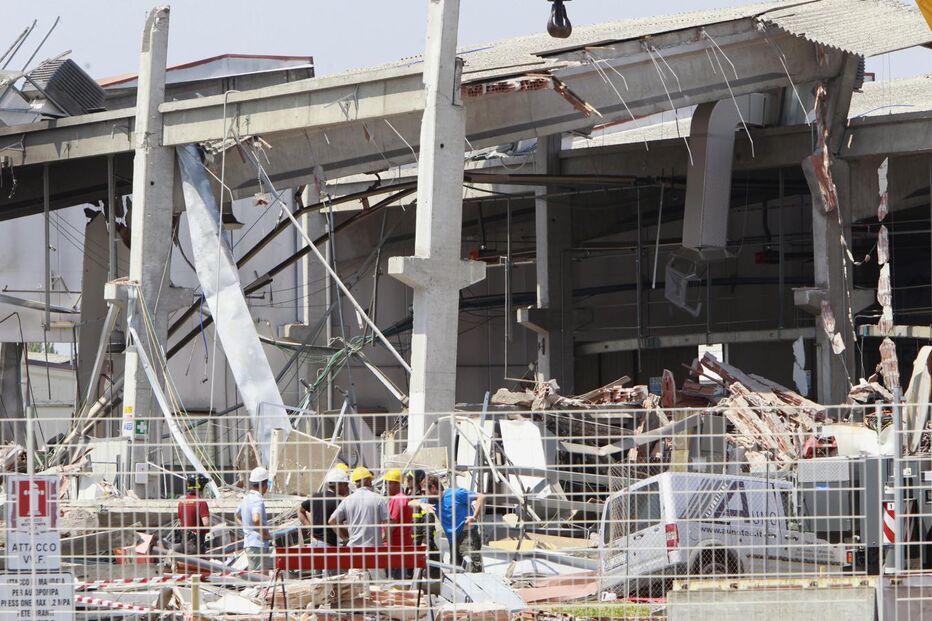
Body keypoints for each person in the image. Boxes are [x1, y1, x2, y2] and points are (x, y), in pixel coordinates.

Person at [427, 475, 485, 573]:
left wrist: (474, 516)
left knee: (473, 570)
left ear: (433, 488)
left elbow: (481, 496)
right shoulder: (432, 502)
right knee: (456, 574)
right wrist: (421, 504)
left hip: (467, 537)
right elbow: (411, 502)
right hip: (452, 540)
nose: (424, 495)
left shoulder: (456, 494)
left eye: (425, 492)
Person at [329, 466, 389, 548]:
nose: (371, 481)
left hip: (353, 548)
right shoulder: (378, 499)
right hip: (374, 548)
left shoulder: (347, 500)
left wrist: (345, 538)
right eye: (370, 479)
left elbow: (331, 521)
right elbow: (387, 523)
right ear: (366, 480)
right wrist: (384, 537)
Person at [298, 467, 350, 546]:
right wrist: (346, 538)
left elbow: (300, 510)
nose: (347, 487)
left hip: (314, 544)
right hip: (327, 546)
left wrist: (310, 527)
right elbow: (337, 524)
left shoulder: (316, 497)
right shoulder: (338, 502)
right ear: (338, 484)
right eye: (346, 484)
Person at [238, 466, 272, 571]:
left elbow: (237, 515)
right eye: (267, 484)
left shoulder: (247, 498)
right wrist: (265, 534)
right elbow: (256, 518)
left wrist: (247, 528)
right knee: (259, 581)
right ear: (263, 484)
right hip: (258, 546)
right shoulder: (257, 500)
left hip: (249, 543)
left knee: (255, 578)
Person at [384, 468, 413, 578]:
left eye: (389, 483)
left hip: (395, 546)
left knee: (393, 581)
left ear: (396, 484)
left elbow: (391, 524)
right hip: (403, 545)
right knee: (399, 580)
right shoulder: (404, 498)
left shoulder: (397, 499)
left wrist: (388, 546)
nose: (386, 486)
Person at [177, 474, 211, 555]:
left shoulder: (182, 502)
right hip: (196, 543)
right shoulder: (200, 502)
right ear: (200, 486)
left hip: (184, 541)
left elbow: (179, 522)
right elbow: (206, 523)